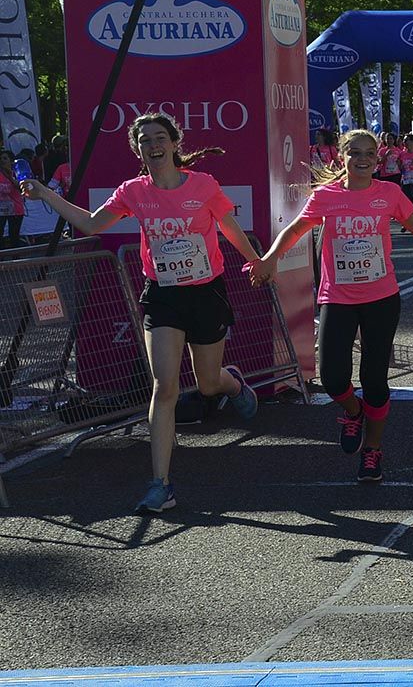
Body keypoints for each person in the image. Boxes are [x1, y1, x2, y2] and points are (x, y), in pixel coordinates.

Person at [21, 112, 262, 512]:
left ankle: (232, 384)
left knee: (206, 384)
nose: (153, 145)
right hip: (162, 296)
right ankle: (160, 485)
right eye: (145, 140)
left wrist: (256, 261)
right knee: (164, 387)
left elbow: (229, 226)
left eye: (160, 137)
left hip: (206, 293)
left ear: (174, 143)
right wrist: (47, 195)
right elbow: (91, 224)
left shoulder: (203, 185)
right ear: (138, 150)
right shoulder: (133, 191)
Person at [249, 130, 413, 481]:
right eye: (355, 153)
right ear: (343, 157)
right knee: (334, 379)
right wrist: (271, 259)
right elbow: (294, 230)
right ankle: (353, 411)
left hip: (381, 298)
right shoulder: (326, 196)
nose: (362, 159)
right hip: (337, 298)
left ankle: (373, 450)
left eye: (369, 153)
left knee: (374, 379)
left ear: (377, 159)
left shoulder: (388, 194)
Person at [0, 150, 26, 248]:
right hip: (1, 210)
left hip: (16, 209)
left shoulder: (17, 172)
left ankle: (15, 255)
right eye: (0, 158)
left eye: (5, 158)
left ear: (11, 161)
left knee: (14, 236)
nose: (2, 160)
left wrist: (10, 177)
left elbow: (21, 188)